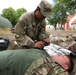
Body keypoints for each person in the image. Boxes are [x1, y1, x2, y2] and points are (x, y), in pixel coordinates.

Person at [0, 49, 74, 75]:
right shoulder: (45, 55)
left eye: (63, 56)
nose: (60, 54)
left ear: (65, 66)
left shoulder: (53, 68)